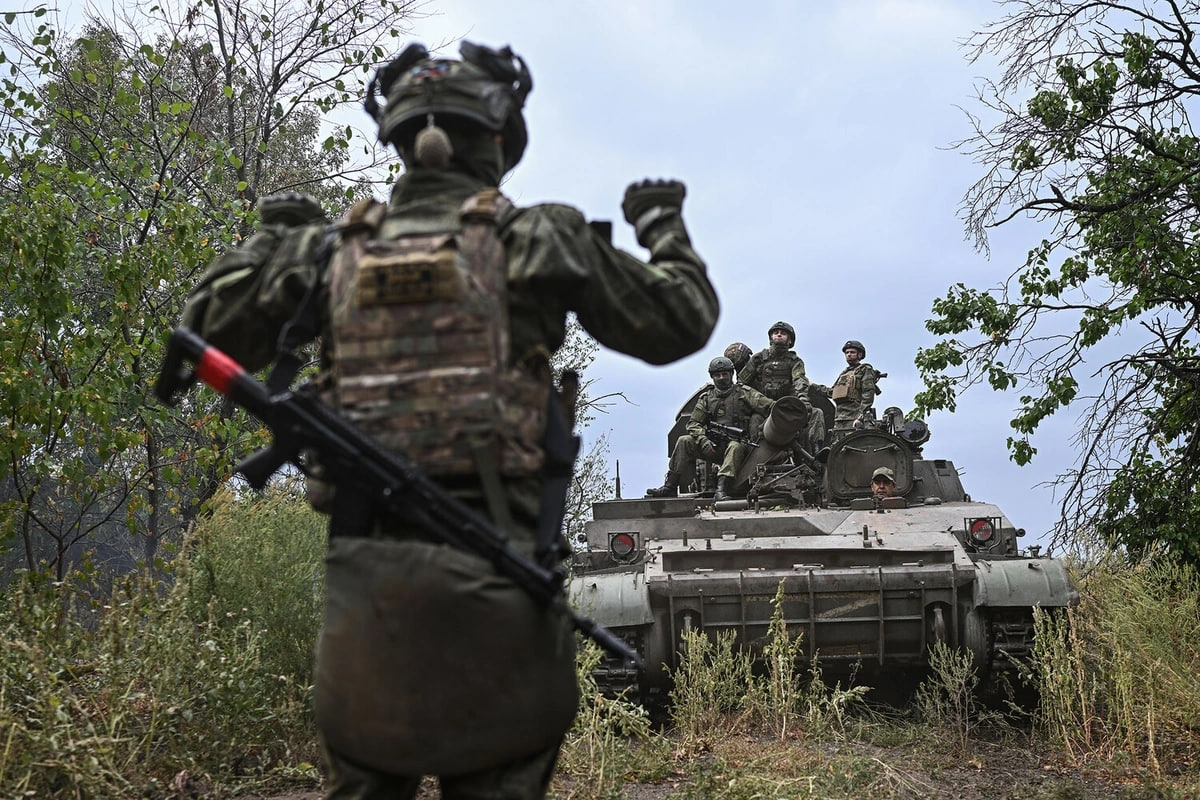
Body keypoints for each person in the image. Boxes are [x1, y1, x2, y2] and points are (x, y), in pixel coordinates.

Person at [180, 40, 718, 800]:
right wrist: (663, 224)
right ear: (499, 140)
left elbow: (202, 328)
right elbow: (679, 321)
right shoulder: (536, 238)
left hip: (367, 597)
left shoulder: (328, 253)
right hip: (504, 586)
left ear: (400, 140)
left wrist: (273, 244)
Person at [645, 356, 773, 502]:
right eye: (717, 375)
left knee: (734, 446)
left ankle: (722, 489)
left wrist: (789, 408)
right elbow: (693, 424)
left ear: (731, 374)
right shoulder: (706, 398)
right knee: (683, 441)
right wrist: (703, 441)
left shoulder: (744, 393)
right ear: (712, 377)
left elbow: (768, 405)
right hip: (714, 447)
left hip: (742, 449)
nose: (721, 378)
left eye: (724, 374)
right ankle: (670, 487)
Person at [737, 321, 818, 454]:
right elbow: (741, 384)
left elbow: (799, 380)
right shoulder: (758, 359)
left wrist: (803, 400)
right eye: (776, 333)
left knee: (816, 414)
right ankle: (753, 457)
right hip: (762, 408)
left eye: (783, 333)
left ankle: (813, 453)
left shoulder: (794, 361)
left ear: (790, 339)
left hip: (787, 408)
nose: (779, 335)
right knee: (755, 421)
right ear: (771, 338)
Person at [819, 339, 880, 436]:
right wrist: (812, 386)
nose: (849, 355)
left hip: (854, 417)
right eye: (847, 352)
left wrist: (860, 417)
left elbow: (868, 394)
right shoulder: (844, 373)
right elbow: (832, 392)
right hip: (839, 419)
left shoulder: (865, 370)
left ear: (860, 355)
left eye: (852, 352)